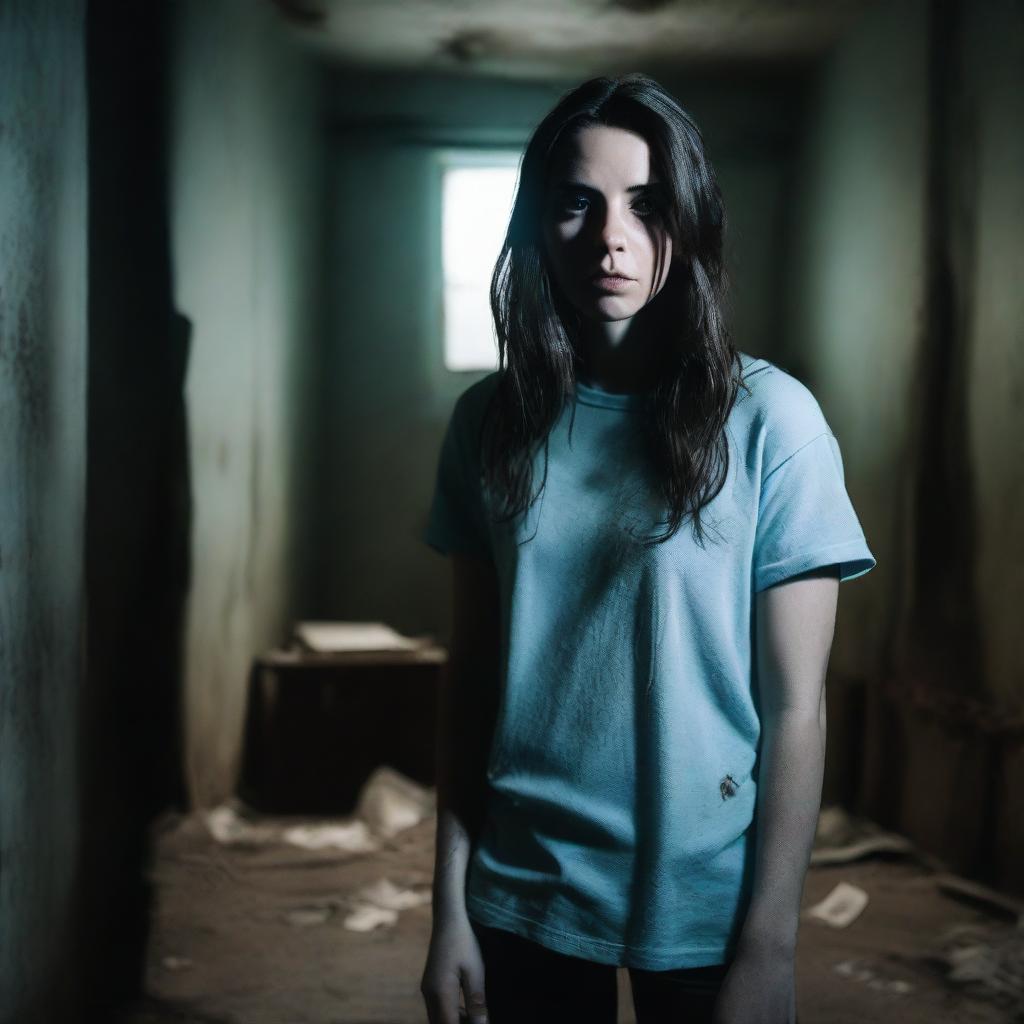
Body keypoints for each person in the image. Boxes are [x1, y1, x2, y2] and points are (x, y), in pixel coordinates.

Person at [418, 72, 875, 1024]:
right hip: (524, 891)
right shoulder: (489, 425)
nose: (611, 237)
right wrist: (448, 909)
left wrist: (770, 950)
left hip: (707, 905)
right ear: (539, 224)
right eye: (577, 204)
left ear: (690, 218)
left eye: (647, 203)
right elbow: (472, 681)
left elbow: (796, 708)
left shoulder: (772, 423)